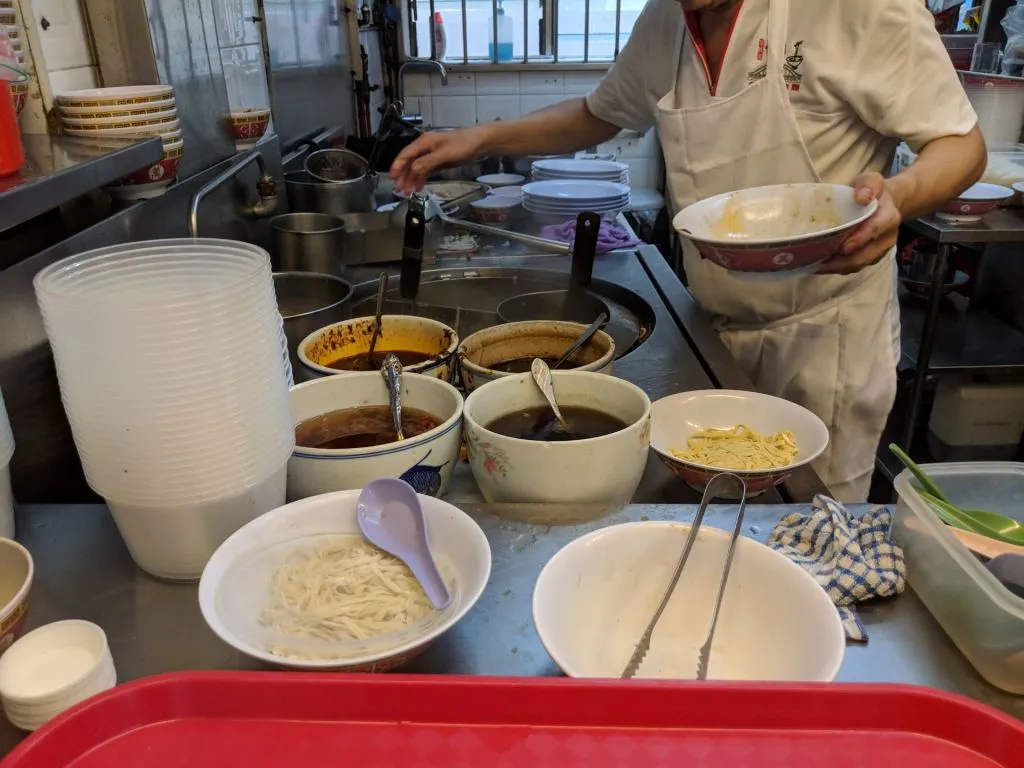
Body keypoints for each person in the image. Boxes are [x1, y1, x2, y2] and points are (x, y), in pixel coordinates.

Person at [390, 0, 986, 501]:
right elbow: (598, 114)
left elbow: (961, 144)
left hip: (824, 340)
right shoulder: (666, 21)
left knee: (809, 531)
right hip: (715, 337)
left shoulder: (853, 8)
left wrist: (900, 198)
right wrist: (481, 138)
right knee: (714, 522)